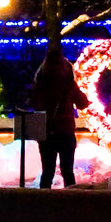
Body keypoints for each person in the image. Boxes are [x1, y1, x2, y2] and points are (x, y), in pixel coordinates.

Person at [30, 43, 89, 189]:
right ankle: (71, 202)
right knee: (68, 172)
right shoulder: (68, 84)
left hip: (46, 132)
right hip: (65, 132)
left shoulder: (41, 83)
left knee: (47, 172)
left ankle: (44, 204)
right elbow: (83, 103)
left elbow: (32, 103)